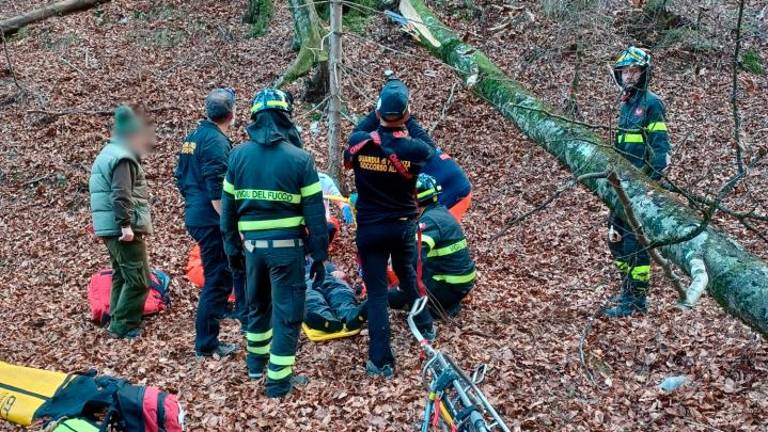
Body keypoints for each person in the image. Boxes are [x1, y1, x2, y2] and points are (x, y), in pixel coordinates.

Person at [221, 88, 328, 398]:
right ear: (285, 117)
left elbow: (227, 212)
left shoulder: (237, 157)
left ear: (255, 118)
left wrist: (232, 250)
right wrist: (319, 256)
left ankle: (256, 365)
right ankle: (278, 381)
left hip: (252, 250)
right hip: (287, 253)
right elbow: (315, 215)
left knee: (258, 307)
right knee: (288, 314)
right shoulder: (300, 159)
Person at [345, 77, 435, 378]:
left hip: (370, 227)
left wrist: (378, 112)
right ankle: (425, 326)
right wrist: (407, 115)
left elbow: (361, 127)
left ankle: (381, 361)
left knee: (379, 293)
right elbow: (430, 148)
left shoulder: (359, 142)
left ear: (378, 110)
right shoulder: (414, 149)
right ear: (406, 113)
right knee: (408, 274)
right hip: (402, 225)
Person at [175, 88, 243, 358]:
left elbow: (180, 178)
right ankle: (206, 343)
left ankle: (215, 322)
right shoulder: (215, 141)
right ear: (232, 113)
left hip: (197, 213)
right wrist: (230, 223)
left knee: (220, 275)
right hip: (211, 219)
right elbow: (216, 188)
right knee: (217, 279)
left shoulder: (193, 137)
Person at [604, 46, 671, 318]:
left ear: (644, 73)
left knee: (635, 245)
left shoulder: (651, 104)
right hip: (621, 187)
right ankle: (627, 291)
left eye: (634, 70)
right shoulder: (626, 105)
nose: (629, 75)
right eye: (625, 71)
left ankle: (636, 301)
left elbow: (661, 152)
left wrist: (648, 187)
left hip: (640, 190)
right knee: (615, 241)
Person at [353, 75, 472, 221]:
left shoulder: (408, 152)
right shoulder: (410, 149)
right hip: (440, 184)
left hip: (454, 191)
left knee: (436, 230)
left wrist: (380, 110)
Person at [89, 105, 154, 339]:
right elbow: (120, 194)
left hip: (108, 226)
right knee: (138, 279)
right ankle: (123, 325)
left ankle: (115, 317)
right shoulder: (123, 157)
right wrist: (125, 225)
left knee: (121, 274)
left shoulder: (107, 152)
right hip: (121, 227)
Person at [389, 174, 476, 318]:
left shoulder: (429, 221)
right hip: (460, 282)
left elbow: (412, 258)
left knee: (393, 297)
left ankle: (435, 308)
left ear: (416, 200)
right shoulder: (440, 213)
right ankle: (448, 304)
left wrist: (400, 289)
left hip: (449, 285)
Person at [304, 262, 367, 332]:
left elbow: (342, 276)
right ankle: (325, 319)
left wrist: (340, 274)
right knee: (312, 296)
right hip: (304, 280)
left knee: (340, 292)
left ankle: (351, 315)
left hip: (327, 277)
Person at [318, 172, 354, 242]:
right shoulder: (295, 179)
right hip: (302, 223)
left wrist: (344, 207)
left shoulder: (323, 179)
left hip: (324, 222)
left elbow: (337, 197)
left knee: (331, 227)